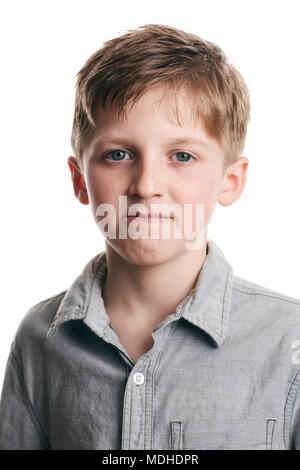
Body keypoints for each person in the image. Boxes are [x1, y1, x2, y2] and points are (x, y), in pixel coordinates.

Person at [0, 23, 300, 451]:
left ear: (230, 181)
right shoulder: (40, 339)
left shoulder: (290, 339)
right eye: (118, 155)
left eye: (182, 156)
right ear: (80, 180)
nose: (147, 185)